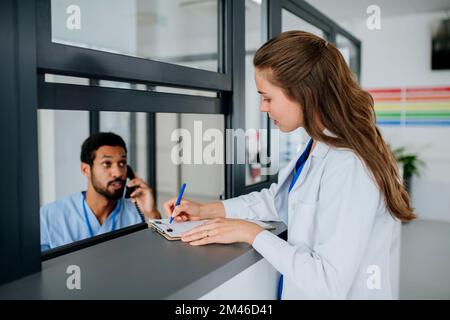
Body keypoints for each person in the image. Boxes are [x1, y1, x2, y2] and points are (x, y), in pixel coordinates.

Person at [164, 31, 415, 299]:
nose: (262, 107)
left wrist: (253, 234)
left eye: (268, 97)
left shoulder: (349, 166)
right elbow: (280, 201)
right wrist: (206, 209)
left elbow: (328, 282)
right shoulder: (316, 145)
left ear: (305, 93)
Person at [40, 132, 160, 251]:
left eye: (122, 163)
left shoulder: (138, 212)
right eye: (107, 164)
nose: (118, 173)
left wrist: (151, 213)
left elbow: (158, 255)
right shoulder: (50, 215)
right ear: (86, 170)